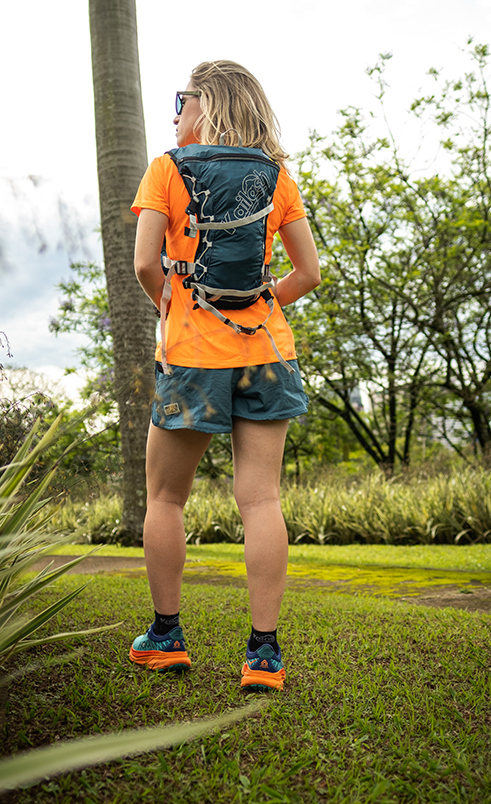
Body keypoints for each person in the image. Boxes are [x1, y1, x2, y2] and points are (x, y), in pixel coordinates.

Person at [128, 60, 321, 691]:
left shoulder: (166, 169)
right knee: (261, 500)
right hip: (268, 354)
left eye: (181, 101)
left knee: (166, 498)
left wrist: (174, 305)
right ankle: (264, 654)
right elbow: (308, 273)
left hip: (191, 354)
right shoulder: (277, 176)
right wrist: (259, 306)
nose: (175, 114)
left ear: (207, 104)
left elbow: (145, 264)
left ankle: (166, 638)